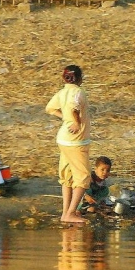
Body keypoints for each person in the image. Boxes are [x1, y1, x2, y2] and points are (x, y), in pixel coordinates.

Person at [45, 65, 91, 223]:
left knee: (67, 176)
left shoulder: (62, 92)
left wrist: (66, 119)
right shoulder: (78, 92)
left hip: (63, 139)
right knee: (83, 177)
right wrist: (76, 122)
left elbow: (50, 108)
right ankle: (71, 212)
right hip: (76, 141)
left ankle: (65, 212)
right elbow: (74, 108)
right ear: (79, 78)